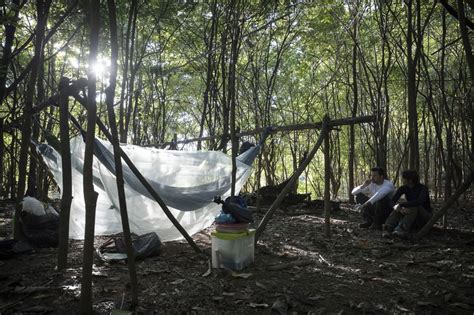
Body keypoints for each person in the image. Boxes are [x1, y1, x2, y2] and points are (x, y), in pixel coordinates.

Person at [383, 170, 432, 238]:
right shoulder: (403, 188)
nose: (402, 180)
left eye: (404, 179)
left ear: (410, 180)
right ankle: (387, 229)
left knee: (414, 206)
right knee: (398, 207)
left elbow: (419, 201)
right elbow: (392, 201)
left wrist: (402, 205)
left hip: (424, 216)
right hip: (412, 215)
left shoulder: (423, 188)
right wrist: (398, 207)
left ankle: (401, 230)